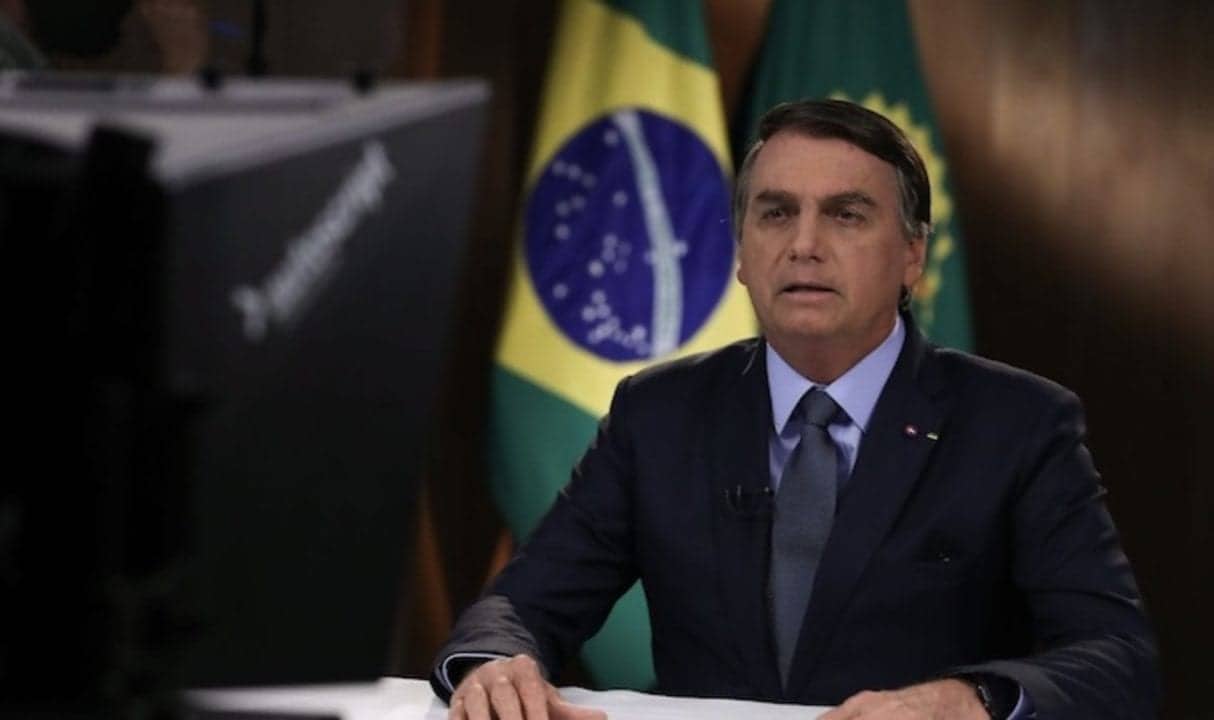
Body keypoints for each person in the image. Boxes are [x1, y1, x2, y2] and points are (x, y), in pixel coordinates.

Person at [430, 99, 1159, 720]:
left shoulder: (1018, 424)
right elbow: (523, 606)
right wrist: (495, 663)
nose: (804, 246)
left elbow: (1118, 657)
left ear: (912, 254)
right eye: (776, 213)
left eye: (846, 215)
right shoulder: (658, 413)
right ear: (741, 252)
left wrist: (970, 699)